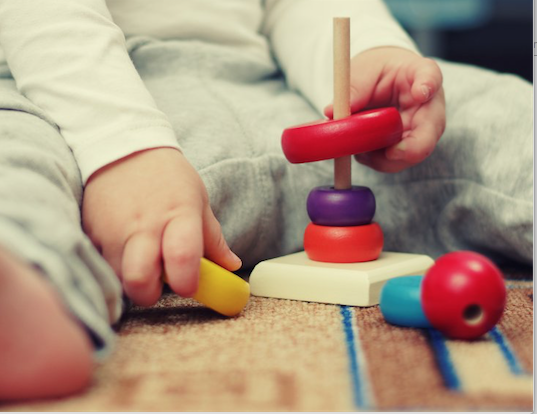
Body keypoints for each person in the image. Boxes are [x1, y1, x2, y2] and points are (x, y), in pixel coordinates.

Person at [0, 0, 531, 401]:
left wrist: (371, 58)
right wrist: (124, 148)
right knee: (17, 164)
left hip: (281, 94)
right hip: (74, 107)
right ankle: (24, 273)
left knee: (491, 110)